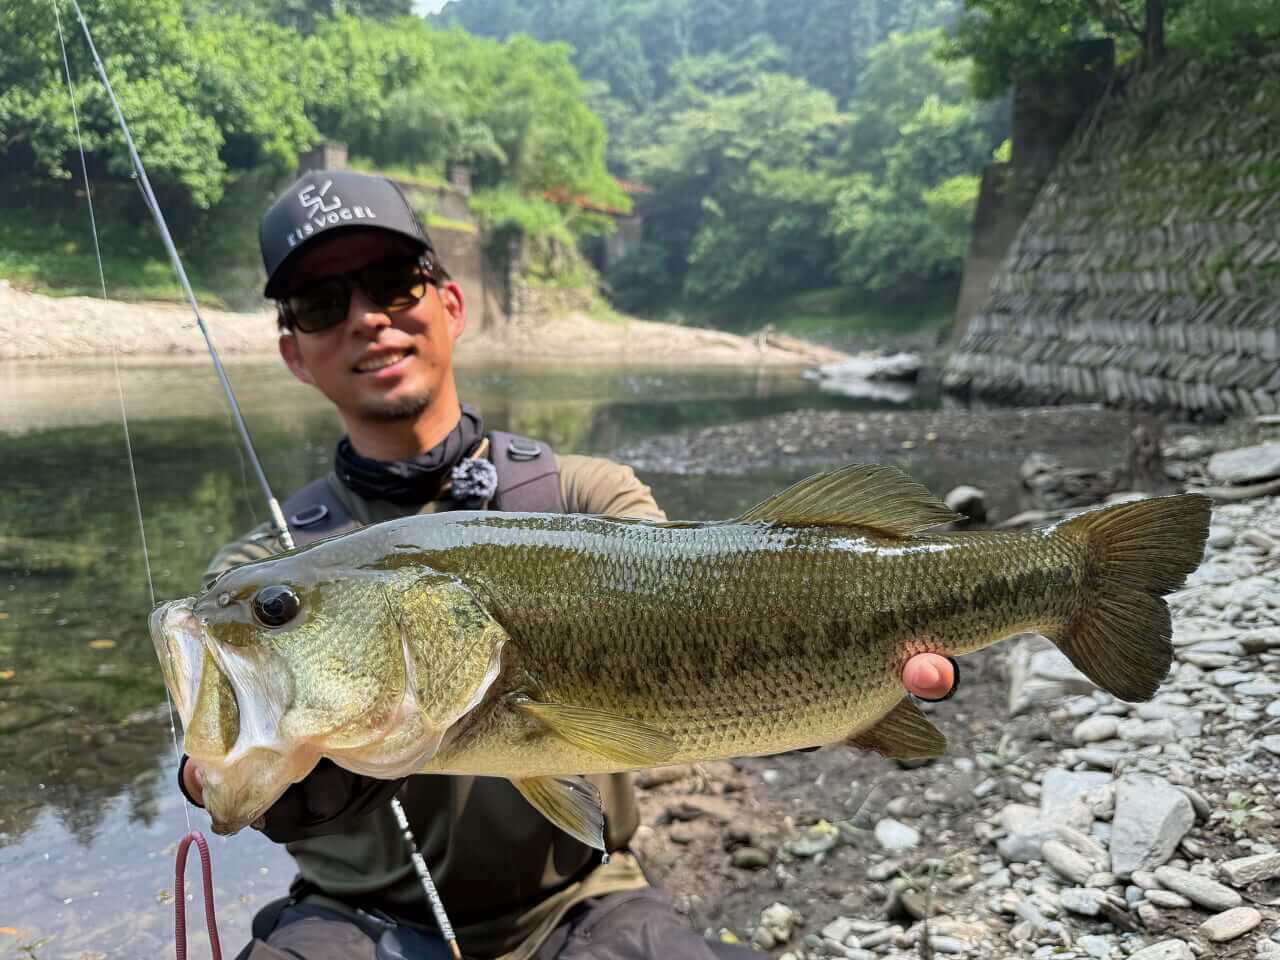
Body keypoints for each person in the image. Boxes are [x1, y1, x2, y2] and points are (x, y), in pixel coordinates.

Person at [178, 170, 959, 960]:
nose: (368, 319)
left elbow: (707, 615)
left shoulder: (591, 495)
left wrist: (839, 696)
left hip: (587, 904)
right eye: (321, 303)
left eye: (392, 284)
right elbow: (224, 781)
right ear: (294, 353)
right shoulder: (260, 575)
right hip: (349, 919)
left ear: (450, 304)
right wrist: (219, 772)